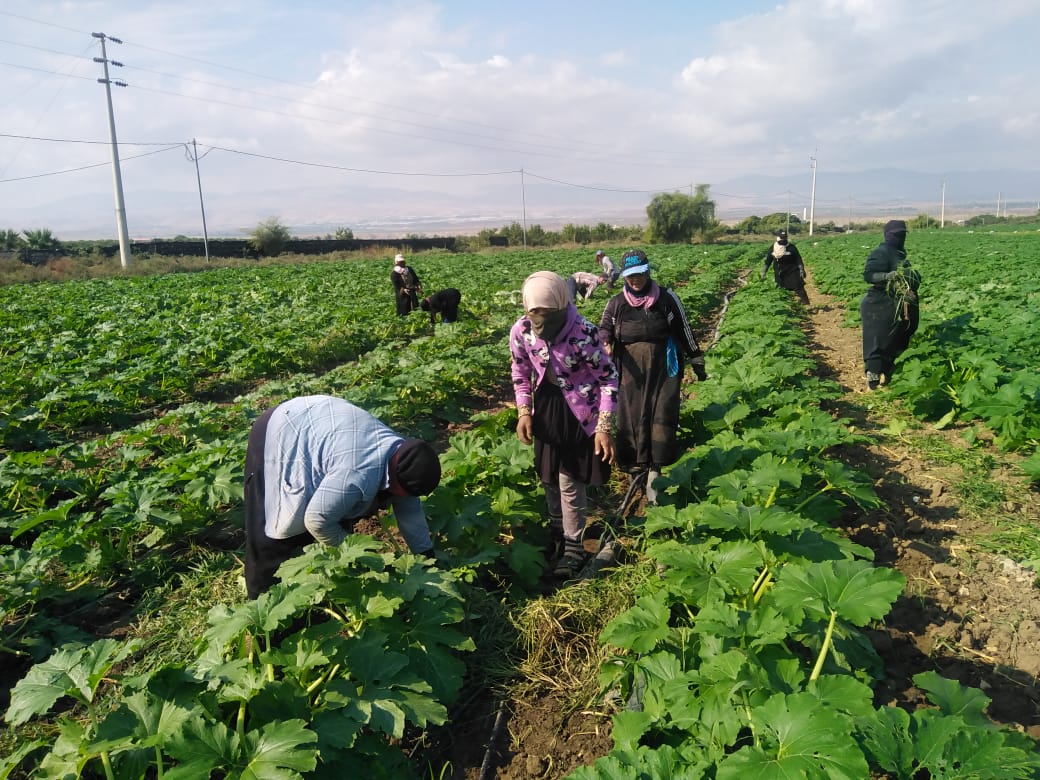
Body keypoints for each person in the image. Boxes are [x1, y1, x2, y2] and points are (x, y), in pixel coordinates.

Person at [243, 394, 441, 598]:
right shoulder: (356, 474)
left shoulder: (402, 457)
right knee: (270, 536)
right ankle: (262, 602)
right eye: (404, 494)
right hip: (279, 430)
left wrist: (427, 559)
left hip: (320, 423)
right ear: (397, 480)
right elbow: (316, 520)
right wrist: (356, 551)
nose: (404, 499)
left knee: (335, 517)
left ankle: (317, 586)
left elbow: (411, 513)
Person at [510, 271, 618, 579]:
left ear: (561, 304)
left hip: (579, 410)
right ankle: (557, 528)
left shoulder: (583, 332)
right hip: (546, 406)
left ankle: (574, 544)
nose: (541, 320)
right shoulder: (522, 331)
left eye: (548, 314)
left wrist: (603, 426)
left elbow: (609, 378)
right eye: (535, 313)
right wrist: (524, 411)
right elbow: (520, 372)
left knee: (569, 479)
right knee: (547, 475)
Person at [598, 250, 707, 505]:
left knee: (662, 413)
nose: (635, 280)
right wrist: (605, 342)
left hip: (664, 367)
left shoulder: (667, 299)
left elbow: (684, 329)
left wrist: (697, 361)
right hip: (629, 370)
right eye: (630, 276)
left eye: (639, 274)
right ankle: (636, 464)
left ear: (648, 272)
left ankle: (656, 466)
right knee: (632, 414)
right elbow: (604, 328)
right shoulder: (616, 304)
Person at [860, 219, 921, 390]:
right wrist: (887, 276)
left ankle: (890, 374)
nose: (900, 238)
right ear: (887, 235)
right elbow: (869, 275)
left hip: (898, 302)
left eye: (902, 235)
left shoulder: (901, 253)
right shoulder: (881, 252)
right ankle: (873, 380)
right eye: (896, 235)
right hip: (879, 302)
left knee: (898, 338)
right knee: (878, 339)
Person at [761, 229, 809, 305]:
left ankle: (806, 304)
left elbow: (798, 259)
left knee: (799, 287)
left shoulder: (791, 247)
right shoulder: (773, 248)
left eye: (785, 237)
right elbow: (768, 261)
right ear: (778, 238)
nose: (783, 239)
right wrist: (764, 272)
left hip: (792, 272)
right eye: (782, 237)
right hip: (780, 274)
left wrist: (801, 269)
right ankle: (786, 306)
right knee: (782, 291)